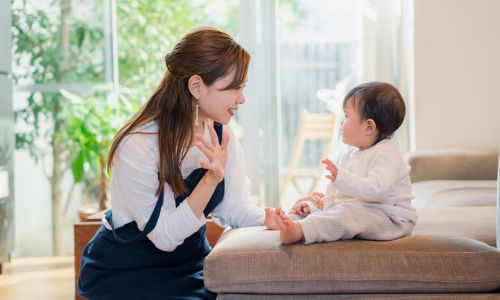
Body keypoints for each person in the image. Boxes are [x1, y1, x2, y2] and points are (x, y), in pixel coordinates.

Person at [78, 27, 265, 300]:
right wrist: (210, 179)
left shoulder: (223, 136)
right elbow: (164, 238)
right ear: (197, 86)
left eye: (243, 87)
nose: (242, 98)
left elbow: (236, 208)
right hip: (128, 272)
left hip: (192, 265)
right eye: (234, 88)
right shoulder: (139, 144)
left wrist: (280, 219)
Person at [265, 82, 417, 245]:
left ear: (369, 127)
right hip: (363, 210)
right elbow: (338, 197)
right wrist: (319, 207)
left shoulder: (387, 153)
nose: (341, 122)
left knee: (346, 213)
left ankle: (299, 232)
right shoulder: (349, 154)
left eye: (346, 116)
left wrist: (342, 179)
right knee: (326, 209)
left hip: (390, 218)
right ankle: (288, 221)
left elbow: (377, 191)